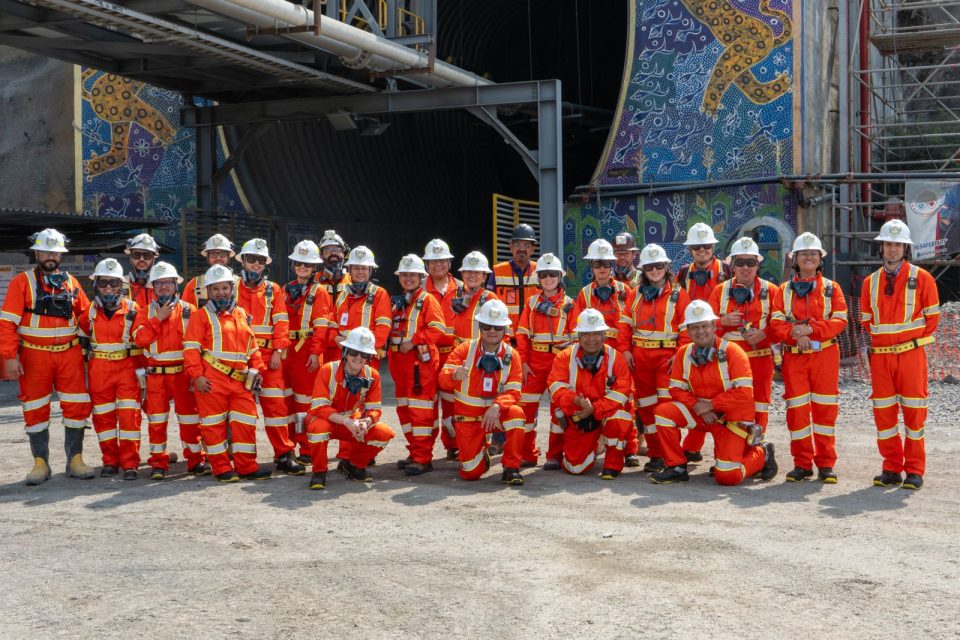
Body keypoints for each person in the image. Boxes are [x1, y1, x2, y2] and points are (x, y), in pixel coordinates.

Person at [0, 228, 94, 484]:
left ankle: (75, 459)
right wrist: (9, 355)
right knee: (35, 407)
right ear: (36, 253)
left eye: (55, 252)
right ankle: (40, 463)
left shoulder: (71, 283)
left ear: (60, 255)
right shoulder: (22, 282)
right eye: (45, 252)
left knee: (76, 405)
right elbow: (7, 323)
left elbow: (86, 317)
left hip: (69, 354)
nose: (50, 256)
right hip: (34, 356)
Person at [650, 300, 777, 485]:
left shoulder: (733, 352)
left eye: (704, 326)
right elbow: (675, 389)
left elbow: (744, 393)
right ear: (688, 331)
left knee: (727, 476)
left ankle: (763, 453)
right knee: (663, 412)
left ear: (714, 326)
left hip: (732, 416)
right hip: (702, 413)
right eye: (694, 327)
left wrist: (711, 405)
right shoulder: (684, 353)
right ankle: (676, 467)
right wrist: (697, 406)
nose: (700, 331)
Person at [861, 219, 940, 490]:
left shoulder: (923, 278)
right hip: (881, 358)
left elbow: (932, 319)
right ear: (881, 247)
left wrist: (909, 342)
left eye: (898, 244)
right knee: (884, 416)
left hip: (911, 356)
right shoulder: (869, 282)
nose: (892, 249)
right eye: (888, 244)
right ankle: (891, 468)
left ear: (905, 248)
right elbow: (866, 320)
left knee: (914, 414)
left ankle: (914, 470)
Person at [184, 264, 271, 483]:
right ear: (209, 291)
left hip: (241, 380)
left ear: (232, 289)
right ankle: (221, 468)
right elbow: (191, 348)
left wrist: (258, 368)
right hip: (212, 380)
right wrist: (197, 376)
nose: (221, 293)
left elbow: (252, 346)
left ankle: (247, 467)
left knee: (245, 422)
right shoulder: (200, 316)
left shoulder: (241, 314)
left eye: (225, 288)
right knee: (214, 426)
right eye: (216, 289)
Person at [779, 233, 848, 483]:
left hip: (825, 356)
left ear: (820, 259)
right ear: (795, 259)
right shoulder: (784, 290)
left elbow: (840, 321)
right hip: (794, 358)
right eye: (804, 253)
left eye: (813, 253)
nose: (809, 257)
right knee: (797, 412)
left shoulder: (832, 288)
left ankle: (826, 464)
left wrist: (810, 330)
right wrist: (795, 334)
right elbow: (775, 323)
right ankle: (802, 464)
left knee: (825, 412)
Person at [132, 261, 208, 480]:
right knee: (156, 422)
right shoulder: (146, 312)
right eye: (159, 283)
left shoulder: (190, 310)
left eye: (168, 282)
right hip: (156, 376)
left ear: (176, 285)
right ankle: (158, 463)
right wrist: (158, 319)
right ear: (153, 287)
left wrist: (196, 374)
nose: (164, 287)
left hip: (184, 375)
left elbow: (201, 345)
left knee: (191, 421)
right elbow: (139, 339)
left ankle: (196, 460)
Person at [235, 238, 304, 475]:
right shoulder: (232, 286)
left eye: (261, 260)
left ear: (266, 263)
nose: (256, 264)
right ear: (243, 261)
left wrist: (278, 350)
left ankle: (284, 455)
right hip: (239, 358)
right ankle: (244, 460)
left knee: (276, 408)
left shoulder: (272, 289)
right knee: (242, 412)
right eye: (252, 259)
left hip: (268, 357)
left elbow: (282, 321)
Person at [437, 299, 526, 485]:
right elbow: (442, 380)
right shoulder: (464, 349)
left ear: (505, 329)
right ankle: (481, 454)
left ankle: (511, 468)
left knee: (516, 414)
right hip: (468, 418)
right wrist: (454, 375)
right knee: (470, 474)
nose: (492, 331)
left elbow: (514, 391)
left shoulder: (512, 355)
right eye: (486, 326)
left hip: (495, 415)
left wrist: (497, 406)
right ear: (480, 327)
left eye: (497, 327)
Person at [704, 238, 784, 434]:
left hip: (760, 359)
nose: (745, 267)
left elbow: (782, 326)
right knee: (730, 405)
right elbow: (704, 329)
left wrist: (764, 334)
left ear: (758, 265)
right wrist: (723, 322)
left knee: (760, 405)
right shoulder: (720, 291)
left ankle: (757, 446)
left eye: (751, 262)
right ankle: (730, 447)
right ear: (732, 265)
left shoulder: (772, 291)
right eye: (740, 262)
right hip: (728, 362)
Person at [626, 243, 691, 474]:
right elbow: (625, 325)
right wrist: (625, 350)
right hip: (640, 359)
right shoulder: (635, 294)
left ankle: (670, 455)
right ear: (643, 270)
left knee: (666, 407)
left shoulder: (679, 294)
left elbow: (686, 329)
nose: (654, 270)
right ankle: (655, 454)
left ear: (666, 267)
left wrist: (679, 355)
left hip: (667, 359)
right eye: (649, 267)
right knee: (646, 408)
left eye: (659, 266)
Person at [546, 309, 633, 478]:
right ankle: (596, 444)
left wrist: (594, 408)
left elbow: (622, 393)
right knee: (575, 468)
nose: (591, 339)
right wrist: (576, 402)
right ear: (579, 336)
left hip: (606, 413)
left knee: (620, 417)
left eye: (596, 334)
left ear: (604, 335)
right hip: (579, 415)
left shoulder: (616, 358)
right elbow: (556, 388)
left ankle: (613, 464)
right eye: (586, 334)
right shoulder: (565, 357)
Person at [305, 328, 394, 489]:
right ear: (345, 352)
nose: (358, 358)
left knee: (384, 433)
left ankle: (353, 466)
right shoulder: (328, 370)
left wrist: (366, 422)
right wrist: (346, 421)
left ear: (369, 357)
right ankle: (319, 472)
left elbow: (375, 410)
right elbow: (319, 408)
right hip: (326, 419)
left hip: (352, 420)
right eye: (354, 352)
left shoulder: (372, 375)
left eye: (364, 354)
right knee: (318, 428)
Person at [78, 259, 142, 480]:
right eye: (103, 282)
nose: (108, 288)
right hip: (99, 369)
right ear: (96, 284)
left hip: (127, 368)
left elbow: (143, 342)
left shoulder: (133, 309)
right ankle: (110, 461)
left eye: (113, 283)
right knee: (103, 417)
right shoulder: (89, 312)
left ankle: (130, 463)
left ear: (121, 285)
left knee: (129, 417)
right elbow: (81, 343)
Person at [436, 251, 502, 458]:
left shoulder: (490, 299)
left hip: (482, 358)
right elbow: (442, 327)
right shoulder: (453, 296)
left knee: (482, 401)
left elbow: (501, 331)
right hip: (457, 356)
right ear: (462, 274)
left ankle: (482, 445)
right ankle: (452, 445)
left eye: (477, 272)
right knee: (450, 403)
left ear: (484, 276)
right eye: (468, 272)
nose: (472, 276)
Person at [388, 254, 446, 475]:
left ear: (422, 277)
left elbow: (438, 329)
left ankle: (423, 457)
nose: (408, 278)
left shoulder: (427, 300)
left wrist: (413, 341)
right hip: (399, 364)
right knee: (405, 410)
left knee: (421, 411)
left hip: (419, 365)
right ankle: (414, 451)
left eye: (413, 274)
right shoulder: (399, 302)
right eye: (404, 274)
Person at [515, 252, 573, 469]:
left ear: (560, 276)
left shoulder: (570, 304)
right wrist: (523, 362)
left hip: (559, 362)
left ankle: (554, 455)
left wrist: (568, 365)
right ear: (538, 278)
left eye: (552, 274)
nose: (548, 278)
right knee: (526, 408)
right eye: (543, 274)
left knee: (559, 409)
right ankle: (527, 454)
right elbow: (522, 334)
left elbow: (577, 338)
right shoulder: (531, 303)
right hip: (534, 362)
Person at [282, 239, 332, 465]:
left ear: (315, 267)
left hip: (307, 352)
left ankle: (307, 448)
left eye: (308, 264)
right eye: (299, 263)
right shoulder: (284, 289)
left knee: (305, 403)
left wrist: (315, 352)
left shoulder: (319, 291)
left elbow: (321, 325)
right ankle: (289, 445)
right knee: (287, 402)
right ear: (294, 264)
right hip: (286, 352)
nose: (303, 267)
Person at [422, 238, 462, 458]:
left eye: (442, 261)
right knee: (425, 405)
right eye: (433, 261)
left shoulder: (462, 288)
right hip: (427, 355)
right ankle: (422, 450)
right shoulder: (418, 288)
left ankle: (453, 445)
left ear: (449, 263)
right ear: (427, 264)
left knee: (452, 403)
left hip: (454, 354)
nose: (438, 265)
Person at [328, 245, 391, 366]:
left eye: (364, 268)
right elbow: (332, 324)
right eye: (356, 268)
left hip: (366, 357)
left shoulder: (379, 294)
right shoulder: (342, 295)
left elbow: (383, 329)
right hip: (343, 355)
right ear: (350, 270)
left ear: (370, 270)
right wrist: (335, 338)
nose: (360, 272)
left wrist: (360, 348)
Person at [488, 223, 539, 335]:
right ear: (511, 247)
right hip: (505, 337)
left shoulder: (541, 271)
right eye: (517, 244)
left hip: (532, 338)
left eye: (527, 245)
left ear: (533, 249)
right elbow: (488, 304)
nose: (522, 249)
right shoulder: (498, 271)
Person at [676, 222, 731, 301]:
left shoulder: (726, 269)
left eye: (706, 245)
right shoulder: (683, 272)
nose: (702, 249)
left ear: (712, 247)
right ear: (690, 249)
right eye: (696, 246)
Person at [182, 234, 235, 308]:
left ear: (229, 256)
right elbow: (184, 313)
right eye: (213, 254)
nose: (218, 258)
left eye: (223, 254)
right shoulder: (193, 285)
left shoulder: (240, 284)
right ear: (207, 257)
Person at [123, 232, 159, 308]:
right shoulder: (119, 284)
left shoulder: (162, 285)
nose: (141, 259)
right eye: (137, 255)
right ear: (130, 258)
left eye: (147, 255)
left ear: (153, 258)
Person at [316, 229, 351, 298]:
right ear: (321, 256)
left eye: (338, 249)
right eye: (328, 250)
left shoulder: (352, 280)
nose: (333, 253)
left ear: (344, 254)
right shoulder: (314, 280)